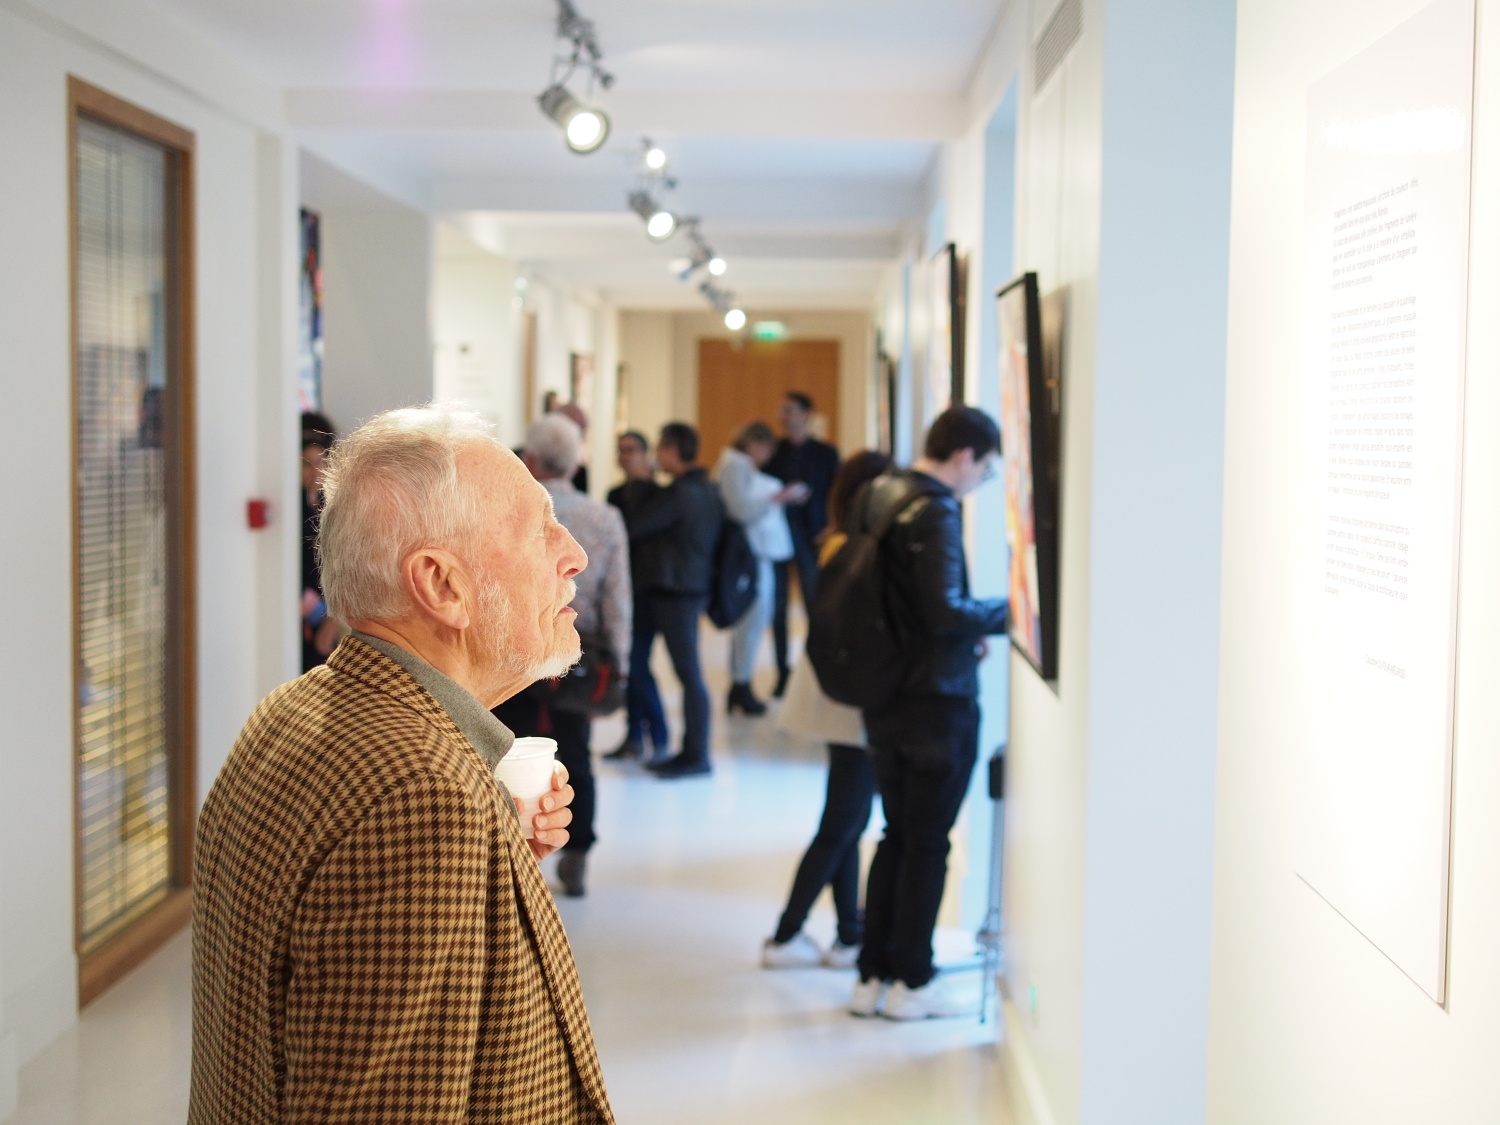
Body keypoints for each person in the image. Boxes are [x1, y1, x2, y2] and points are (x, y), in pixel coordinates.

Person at [191, 405, 615, 1123]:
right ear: (442, 585)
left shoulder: (292, 710)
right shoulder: (422, 798)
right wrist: (461, 827)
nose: (573, 553)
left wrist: (495, 851)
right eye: (538, 528)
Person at [849, 406, 1008, 1022]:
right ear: (965, 455)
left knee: (896, 833)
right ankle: (913, 982)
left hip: (884, 694)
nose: (978, 481)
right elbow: (945, 610)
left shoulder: (879, 493)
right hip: (936, 703)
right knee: (927, 842)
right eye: (985, 470)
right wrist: (1010, 612)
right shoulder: (936, 511)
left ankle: (873, 975)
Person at [761, 450, 892, 970]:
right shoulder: (852, 546)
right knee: (841, 823)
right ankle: (785, 936)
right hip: (848, 698)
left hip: (840, 695)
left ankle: (848, 935)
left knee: (848, 821)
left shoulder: (841, 540)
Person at [494, 415, 630, 898]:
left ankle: (511, 848)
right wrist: (620, 664)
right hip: (577, 653)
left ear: (530, 458)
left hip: (514, 650)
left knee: (507, 747)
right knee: (574, 750)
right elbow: (617, 600)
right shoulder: (604, 517)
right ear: (574, 463)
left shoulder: (510, 511)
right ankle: (577, 849)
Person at [623, 421, 723, 778]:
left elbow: (634, 526)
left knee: (689, 674)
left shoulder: (681, 493)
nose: (655, 457)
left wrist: (641, 483)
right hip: (687, 589)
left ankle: (697, 754)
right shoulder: (707, 489)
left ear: (672, 450)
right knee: (687, 673)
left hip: (676, 593)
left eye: (660, 448)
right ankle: (690, 750)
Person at [714, 421, 806, 715]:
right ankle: (741, 686)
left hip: (752, 555)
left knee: (754, 620)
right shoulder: (735, 464)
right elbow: (740, 509)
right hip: (747, 556)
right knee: (751, 620)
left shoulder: (737, 465)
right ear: (755, 444)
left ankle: (741, 684)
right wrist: (778, 498)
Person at [765, 391, 840, 697]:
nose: (784, 417)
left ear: (806, 414)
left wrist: (831, 527)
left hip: (812, 536)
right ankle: (782, 672)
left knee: (814, 603)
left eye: (790, 410)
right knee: (777, 606)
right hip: (778, 536)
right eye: (781, 411)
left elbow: (836, 491)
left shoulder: (825, 453)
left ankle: (814, 671)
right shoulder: (774, 452)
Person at [605, 429, 669, 761]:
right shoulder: (615, 495)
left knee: (638, 666)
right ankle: (636, 737)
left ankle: (657, 735)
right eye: (621, 450)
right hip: (623, 590)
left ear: (646, 455)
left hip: (648, 593)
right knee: (629, 666)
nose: (626, 455)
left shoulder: (660, 495)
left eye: (631, 449)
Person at [299, 429, 341, 672]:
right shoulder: (295, 507)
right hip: (304, 603)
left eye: (319, 463)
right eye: (307, 464)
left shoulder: (336, 507)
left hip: (333, 608)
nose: (314, 471)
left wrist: (332, 620)